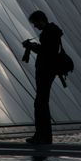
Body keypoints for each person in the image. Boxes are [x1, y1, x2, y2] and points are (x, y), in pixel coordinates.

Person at [22, 10, 63, 144]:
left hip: (46, 70)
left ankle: (42, 136)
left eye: (35, 23)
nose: (35, 26)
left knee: (40, 103)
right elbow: (47, 49)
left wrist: (32, 47)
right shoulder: (52, 31)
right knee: (41, 102)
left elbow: (46, 52)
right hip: (48, 70)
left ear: (41, 20)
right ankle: (43, 135)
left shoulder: (50, 32)